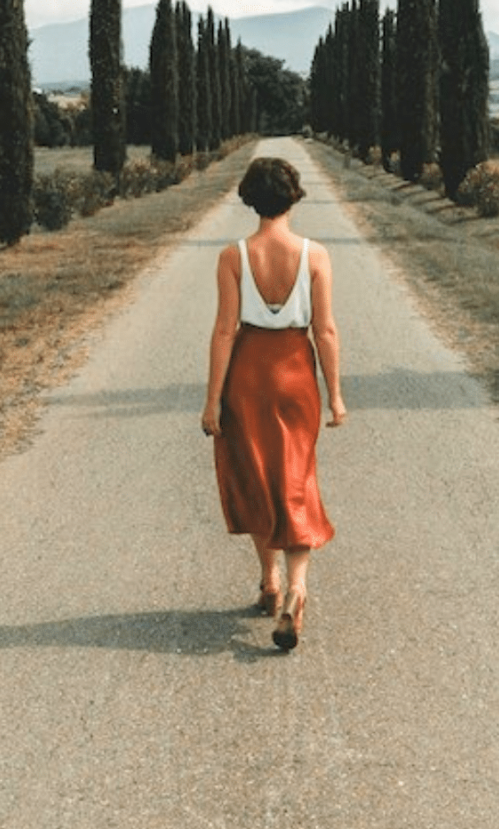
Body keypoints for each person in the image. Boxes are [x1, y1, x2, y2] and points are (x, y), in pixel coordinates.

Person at [201, 153, 347, 650]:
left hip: (247, 373)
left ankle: (270, 583)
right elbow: (325, 330)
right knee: (296, 478)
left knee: (257, 476)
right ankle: (297, 588)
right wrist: (336, 397)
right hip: (295, 373)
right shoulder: (316, 255)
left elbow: (224, 331)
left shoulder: (233, 257)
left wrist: (212, 402)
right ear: (293, 197)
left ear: (249, 199)